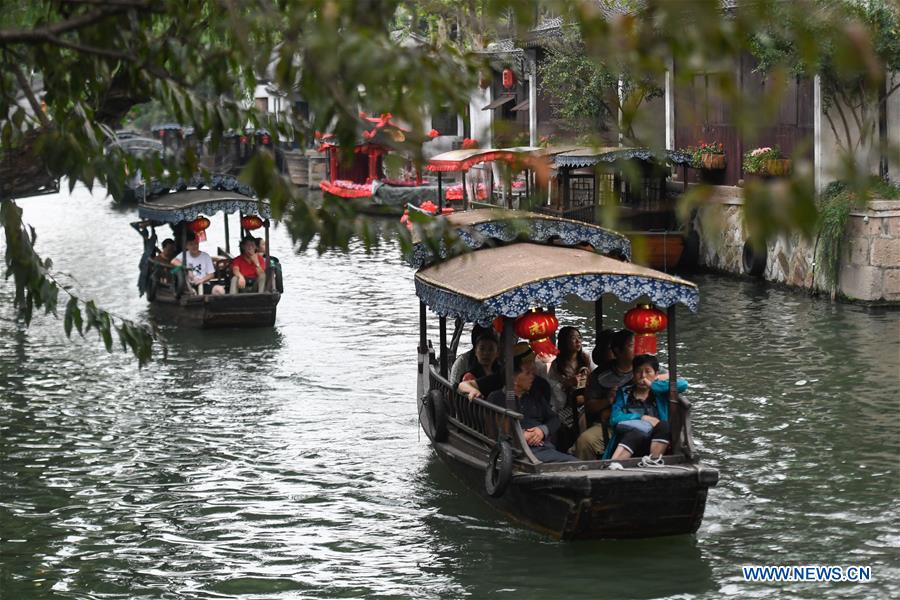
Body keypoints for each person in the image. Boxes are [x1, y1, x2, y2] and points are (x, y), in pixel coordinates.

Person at [483, 343, 578, 463]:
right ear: (513, 377)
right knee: (571, 463)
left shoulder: (535, 397)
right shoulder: (496, 398)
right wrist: (520, 437)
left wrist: (541, 430)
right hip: (516, 453)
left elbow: (554, 419)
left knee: (574, 462)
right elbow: (494, 432)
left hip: (543, 449)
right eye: (528, 373)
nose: (532, 377)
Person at [604, 354, 688, 468]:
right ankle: (613, 465)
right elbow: (614, 419)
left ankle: (652, 462)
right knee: (636, 432)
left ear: (656, 374)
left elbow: (683, 384)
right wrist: (641, 418)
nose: (643, 376)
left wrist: (654, 385)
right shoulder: (624, 393)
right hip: (629, 441)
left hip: (653, 443)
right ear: (633, 374)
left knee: (664, 425)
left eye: (648, 372)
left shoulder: (660, 393)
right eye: (638, 372)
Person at [546, 326, 594, 451]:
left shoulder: (586, 358)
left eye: (579, 338)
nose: (578, 342)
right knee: (559, 421)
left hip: (585, 400)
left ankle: (581, 445)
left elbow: (595, 376)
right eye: (573, 338)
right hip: (567, 404)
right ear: (564, 342)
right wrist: (567, 383)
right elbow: (552, 388)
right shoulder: (557, 364)